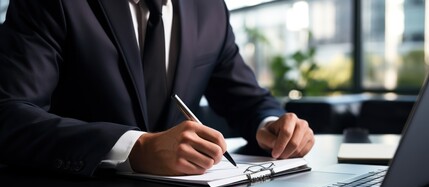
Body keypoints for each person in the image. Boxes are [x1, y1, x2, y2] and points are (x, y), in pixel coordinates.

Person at [0, 0, 314, 176]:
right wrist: (135, 148)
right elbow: (10, 114)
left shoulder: (210, 10)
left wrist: (271, 124)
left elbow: (247, 100)